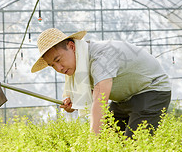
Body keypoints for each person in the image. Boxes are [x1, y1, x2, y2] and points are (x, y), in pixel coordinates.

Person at [31, 28, 171, 137]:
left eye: (58, 60)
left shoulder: (100, 57)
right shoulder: (80, 62)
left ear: (72, 46)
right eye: (52, 66)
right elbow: (92, 93)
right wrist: (74, 102)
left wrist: (93, 142)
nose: (59, 69)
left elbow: (100, 100)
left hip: (151, 90)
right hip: (124, 99)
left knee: (133, 148)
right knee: (108, 141)